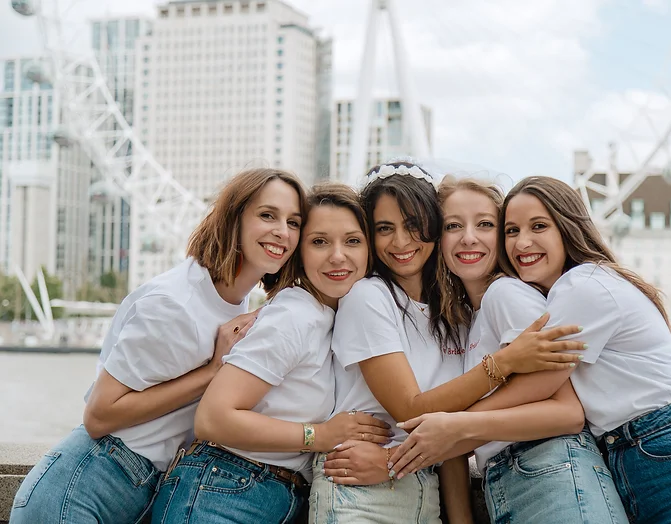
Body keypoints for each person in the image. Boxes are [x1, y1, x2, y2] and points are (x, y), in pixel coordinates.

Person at [394, 176, 671, 524]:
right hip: (628, 455)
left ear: (567, 228)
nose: (522, 243)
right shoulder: (549, 297)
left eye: (538, 227)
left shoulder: (581, 285)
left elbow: (545, 391)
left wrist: (454, 426)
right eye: (513, 230)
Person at [10, 168, 306, 524]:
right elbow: (99, 415)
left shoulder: (235, 302)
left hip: (139, 488)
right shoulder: (174, 302)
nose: (282, 231)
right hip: (83, 487)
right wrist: (212, 372)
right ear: (234, 218)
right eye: (267, 215)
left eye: (294, 222)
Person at [311, 164, 585, 524]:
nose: (401, 242)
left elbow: (450, 435)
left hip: (425, 494)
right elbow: (413, 413)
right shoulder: (369, 297)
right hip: (362, 492)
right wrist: (503, 363)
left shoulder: (454, 316)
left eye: (413, 226)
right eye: (384, 229)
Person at [390, 176, 628, 523]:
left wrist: (455, 425)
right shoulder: (468, 320)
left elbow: (568, 412)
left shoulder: (507, 295)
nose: (468, 237)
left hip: (550, 470)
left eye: (485, 224)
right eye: (453, 225)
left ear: (502, 236)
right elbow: (455, 442)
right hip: (509, 479)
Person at [151, 183, 391, 523]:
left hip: (268, 493)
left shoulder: (331, 314)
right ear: (299, 252)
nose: (338, 255)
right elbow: (213, 418)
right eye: (319, 241)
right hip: (226, 490)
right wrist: (319, 436)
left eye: (352, 241)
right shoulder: (294, 315)